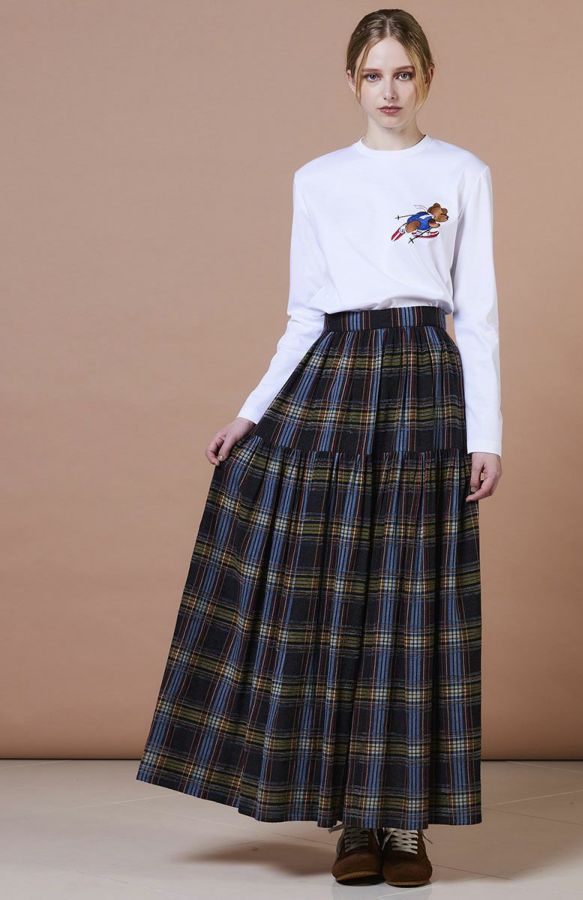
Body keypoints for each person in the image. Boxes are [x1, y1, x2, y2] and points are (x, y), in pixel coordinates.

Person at [136, 8, 503, 889]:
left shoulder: (463, 173)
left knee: (408, 601)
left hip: (424, 385)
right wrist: (250, 414)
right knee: (337, 598)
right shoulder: (318, 179)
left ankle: (404, 825)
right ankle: (350, 824)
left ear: (426, 77)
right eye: (373, 75)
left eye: (403, 74)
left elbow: (479, 313)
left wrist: (486, 432)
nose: (389, 91)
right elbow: (304, 311)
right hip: (335, 377)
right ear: (351, 82)